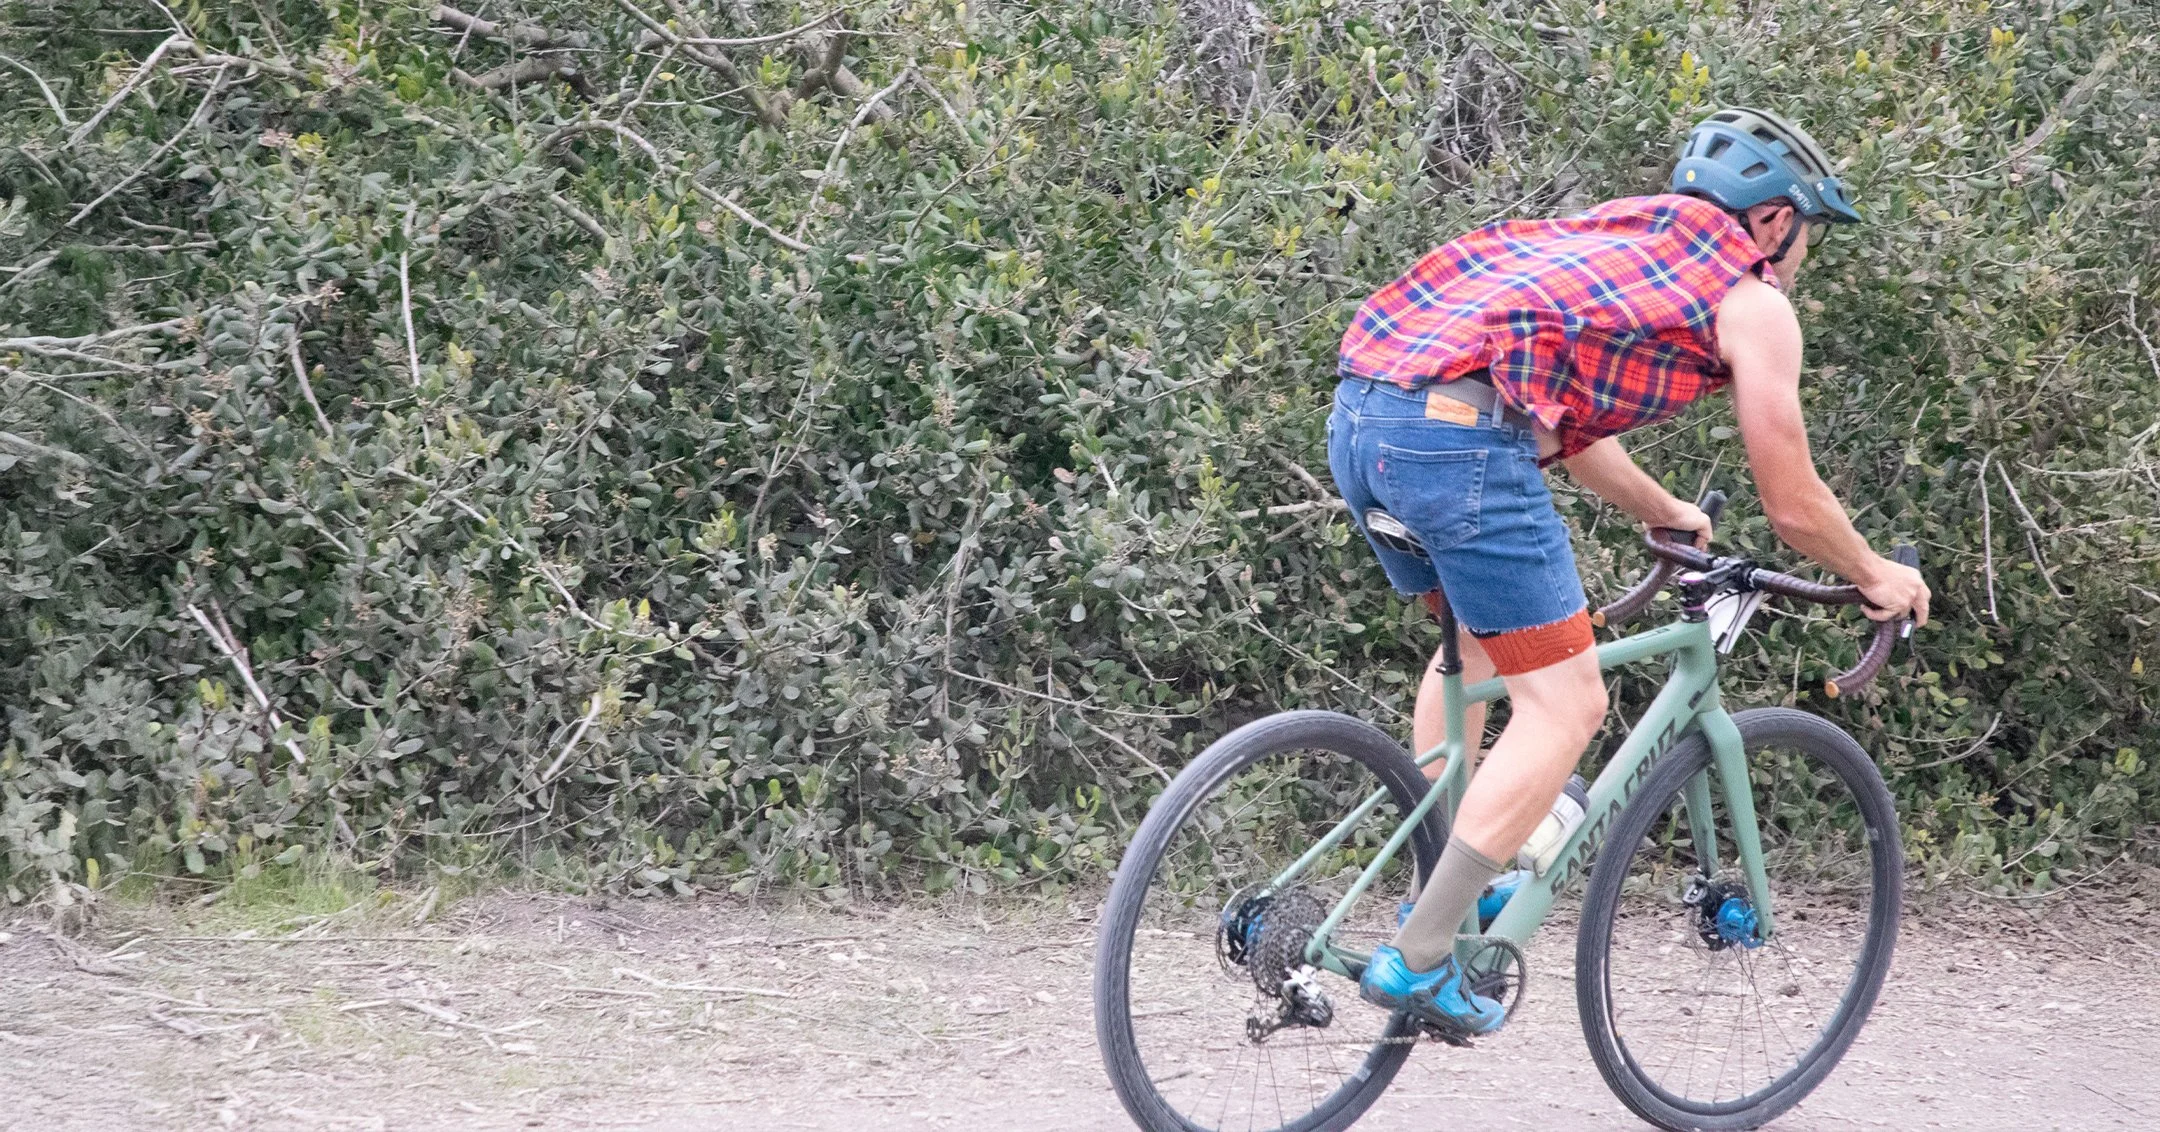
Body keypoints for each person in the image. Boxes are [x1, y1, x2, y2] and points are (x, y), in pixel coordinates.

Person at [1325, 107, 1931, 1034]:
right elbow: (1792, 502)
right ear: (1774, 219)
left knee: (1474, 659)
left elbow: (1556, 425)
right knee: (1568, 706)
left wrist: (1665, 509)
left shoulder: (1616, 236)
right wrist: (1874, 571)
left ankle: (1448, 889)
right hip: (1458, 448)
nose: (1803, 254)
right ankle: (1421, 954)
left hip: (1366, 420)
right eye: (1808, 231)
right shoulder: (1753, 300)